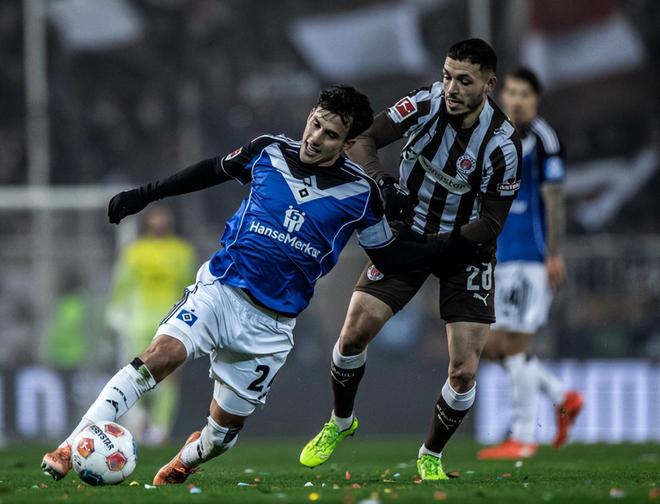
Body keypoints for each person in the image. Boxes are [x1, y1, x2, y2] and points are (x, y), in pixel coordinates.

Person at [41, 85, 459, 485]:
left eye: (330, 135)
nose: (315, 138)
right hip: (221, 289)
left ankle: (187, 459)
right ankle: (67, 447)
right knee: (158, 356)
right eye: (315, 123)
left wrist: (439, 240)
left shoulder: (361, 194)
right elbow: (210, 171)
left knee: (222, 435)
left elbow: (388, 256)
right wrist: (145, 195)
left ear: (348, 143)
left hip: (270, 326)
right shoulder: (269, 150)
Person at [299, 39, 522, 481]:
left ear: (489, 85)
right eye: (447, 76)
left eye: (464, 81)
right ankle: (341, 421)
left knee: (464, 371)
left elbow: (492, 223)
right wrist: (383, 182)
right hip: (408, 232)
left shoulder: (502, 144)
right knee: (352, 335)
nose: (451, 88)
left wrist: (434, 249)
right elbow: (364, 138)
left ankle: (431, 455)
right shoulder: (426, 102)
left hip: (465, 249)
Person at [476, 67, 583, 460]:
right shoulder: (492, 138)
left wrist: (553, 253)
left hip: (531, 259)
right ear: (502, 96)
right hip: (501, 258)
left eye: (525, 94)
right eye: (512, 92)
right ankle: (561, 396)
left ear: (535, 101)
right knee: (491, 345)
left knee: (514, 343)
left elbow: (554, 200)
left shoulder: (545, 139)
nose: (517, 100)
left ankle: (523, 435)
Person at [106, 205, 196, 444]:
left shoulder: (181, 251)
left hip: (171, 323)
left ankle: (160, 427)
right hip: (139, 323)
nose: (159, 223)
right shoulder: (135, 251)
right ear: (148, 222)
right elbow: (122, 285)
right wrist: (116, 313)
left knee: (168, 378)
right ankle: (143, 416)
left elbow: (189, 288)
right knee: (139, 374)